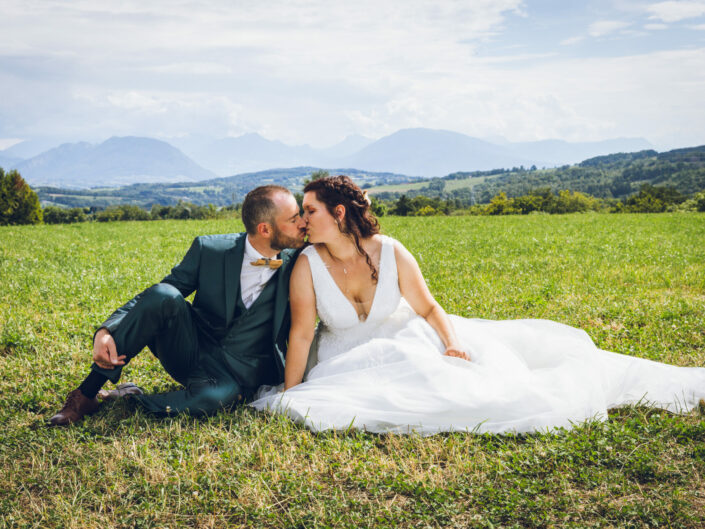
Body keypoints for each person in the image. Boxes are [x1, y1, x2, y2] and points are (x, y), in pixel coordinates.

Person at [250, 175, 705, 435]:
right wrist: (293, 391)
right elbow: (303, 333)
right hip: (344, 354)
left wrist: (452, 342)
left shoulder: (391, 251)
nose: (303, 220)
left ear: (339, 214)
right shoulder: (307, 264)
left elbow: (428, 309)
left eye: (310, 210)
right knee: (404, 378)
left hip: (406, 332)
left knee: (467, 373)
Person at [49, 185, 306, 425]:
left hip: (238, 374)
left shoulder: (301, 260)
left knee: (218, 398)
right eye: (294, 219)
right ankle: (86, 394)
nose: (303, 223)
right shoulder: (210, 250)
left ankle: (129, 400)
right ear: (265, 229)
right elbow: (156, 296)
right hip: (192, 352)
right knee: (165, 294)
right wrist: (105, 330)